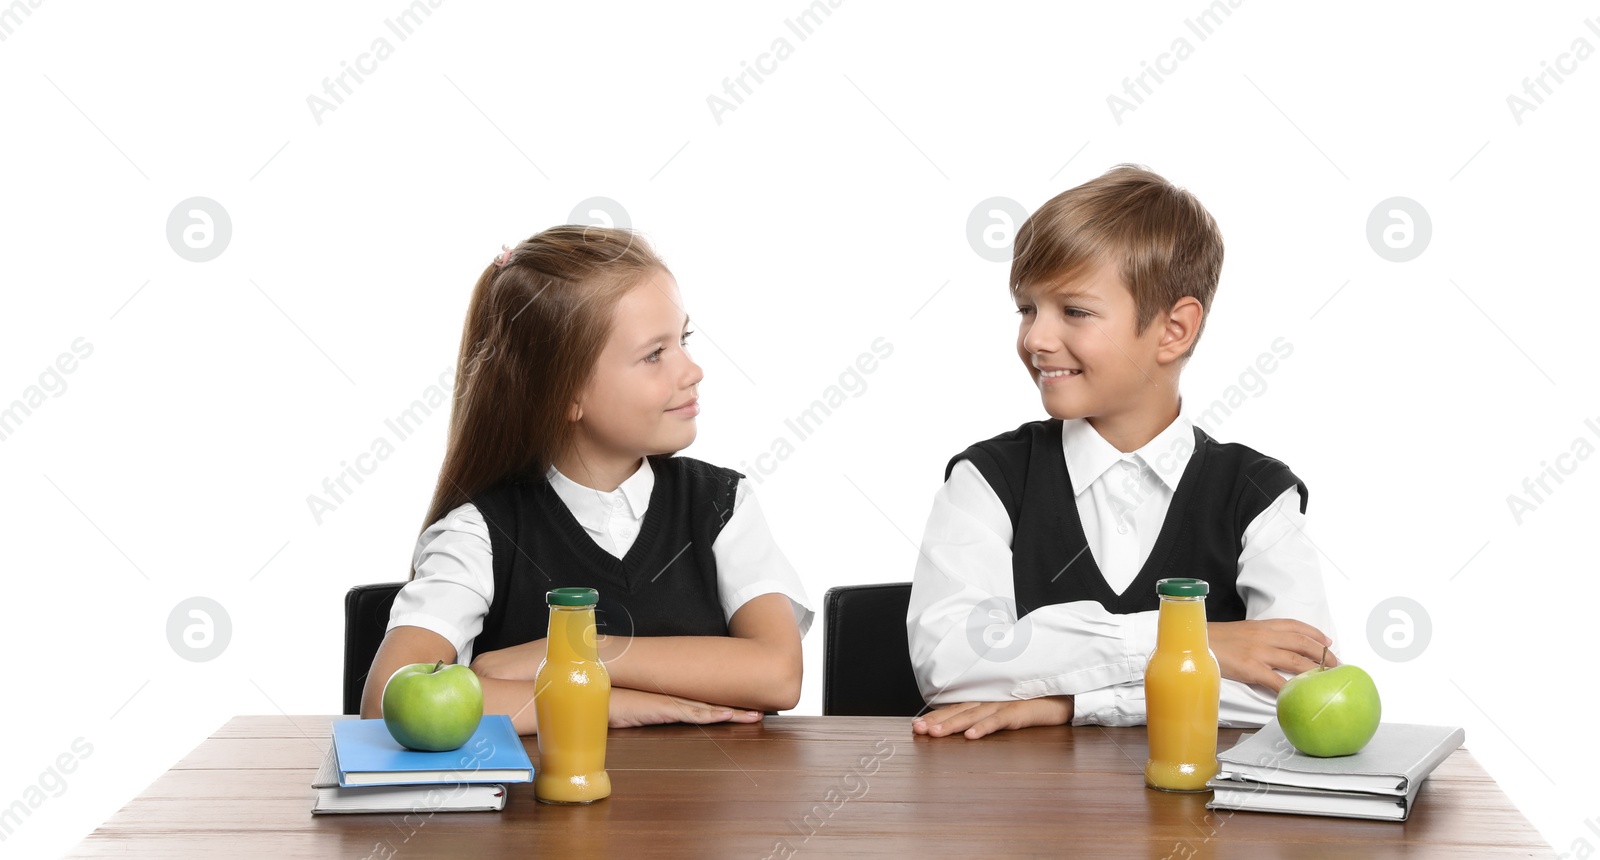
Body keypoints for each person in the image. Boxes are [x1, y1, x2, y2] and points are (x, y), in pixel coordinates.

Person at [907, 165, 1337, 739]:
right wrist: (1185, 642)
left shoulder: (1256, 494)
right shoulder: (987, 480)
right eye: (1027, 309)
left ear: (1173, 331)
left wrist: (1068, 703)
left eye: (1074, 311)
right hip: (1021, 817)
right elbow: (951, 666)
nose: (1036, 338)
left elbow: (1296, 690)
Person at [361, 226, 811, 734]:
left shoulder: (722, 505)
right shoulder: (479, 533)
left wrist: (581, 651)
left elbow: (777, 674)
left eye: (682, 340)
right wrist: (612, 703)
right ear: (565, 396)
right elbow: (387, 700)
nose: (694, 369)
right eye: (654, 354)